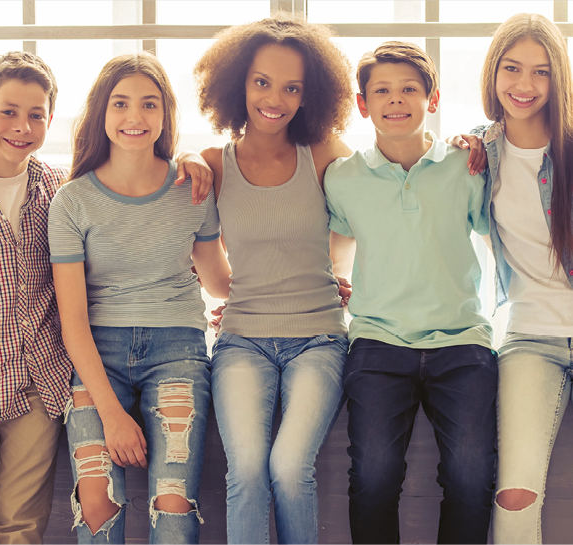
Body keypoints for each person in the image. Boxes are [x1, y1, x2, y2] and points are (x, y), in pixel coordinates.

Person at [48, 52, 232, 544]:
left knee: (173, 503)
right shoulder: (71, 200)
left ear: (166, 114)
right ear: (100, 114)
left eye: (150, 105)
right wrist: (111, 415)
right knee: (96, 502)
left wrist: (301, 287)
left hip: (178, 350)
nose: (135, 117)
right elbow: (72, 321)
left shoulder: (191, 188)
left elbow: (220, 283)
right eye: (121, 104)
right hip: (96, 355)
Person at [325, 41, 497, 544]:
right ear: (363, 104)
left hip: (462, 343)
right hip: (378, 344)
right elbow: (333, 253)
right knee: (374, 478)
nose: (395, 100)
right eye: (381, 90)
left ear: (434, 99)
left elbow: (502, 237)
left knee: (470, 477)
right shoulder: (343, 178)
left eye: (409, 90)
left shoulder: (466, 167)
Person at [194, 13, 353, 544]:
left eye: (292, 87)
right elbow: (217, 281)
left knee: (289, 467)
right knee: (246, 471)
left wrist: (336, 275)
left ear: (311, 96)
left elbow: (366, 219)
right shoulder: (213, 164)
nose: (275, 99)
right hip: (241, 342)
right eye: (262, 81)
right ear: (238, 82)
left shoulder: (327, 153)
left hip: (321, 340)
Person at [452, 12, 573, 544]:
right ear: (492, 72)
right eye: (512, 68)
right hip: (530, 336)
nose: (525, 86)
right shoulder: (479, 152)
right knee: (515, 493)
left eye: (542, 72)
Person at [0, 51, 73, 544]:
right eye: (8, 111)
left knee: (20, 527)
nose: (22, 126)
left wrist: (184, 160)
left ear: (50, 120)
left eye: (36, 114)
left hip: (38, 383)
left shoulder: (60, 186)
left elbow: (128, 197)